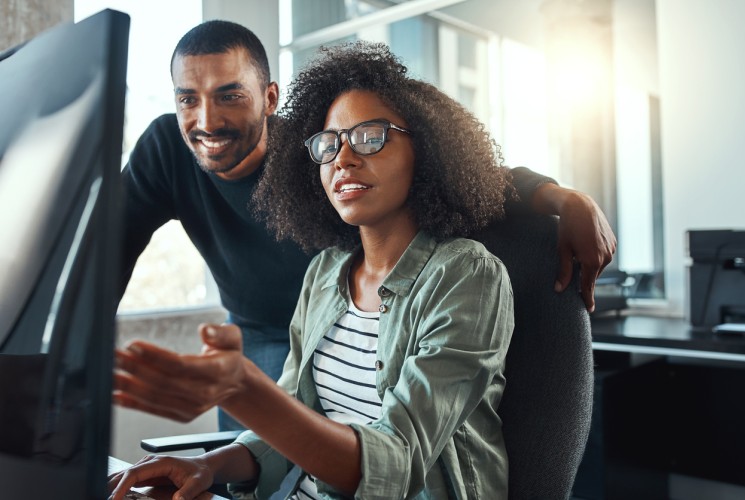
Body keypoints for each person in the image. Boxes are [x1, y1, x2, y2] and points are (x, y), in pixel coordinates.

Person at [120, 20, 615, 431]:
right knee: (249, 471)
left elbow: (454, 172)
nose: (207, 119)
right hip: (257, 332)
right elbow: (106, 248)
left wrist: (559, 195)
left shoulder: (321, 147)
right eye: (188, 99)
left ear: (269, 97)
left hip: (341, 320)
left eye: (230, 96)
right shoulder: (167, 149)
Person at [110, 40, 526, 500]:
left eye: (370, 136)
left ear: (426, 149)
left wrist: (243, 390)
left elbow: (398, 463)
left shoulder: (467, 276)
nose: (343, 159)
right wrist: (207, 466)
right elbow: (292, 416)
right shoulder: (326, 272)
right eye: (330, 145)